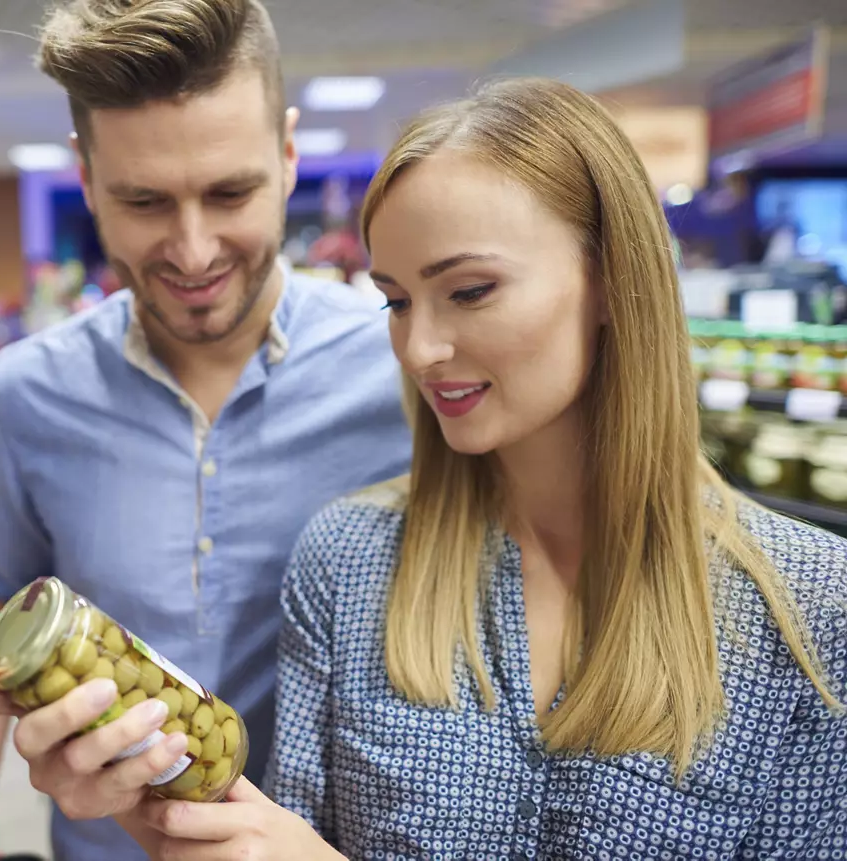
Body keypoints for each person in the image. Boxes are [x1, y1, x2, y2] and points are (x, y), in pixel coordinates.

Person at [122, 77, 847, 859]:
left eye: (469, 291)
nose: (420, 349)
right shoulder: (347, 563)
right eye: (396, 301)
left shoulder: (807, 606)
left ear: (609, 278)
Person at [0, 1, 412, 859]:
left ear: (286, 155)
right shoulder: (24, 392)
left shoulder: (407, 371)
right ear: (86, 180)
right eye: (144, 201)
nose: (195, 250)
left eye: (230, 192)